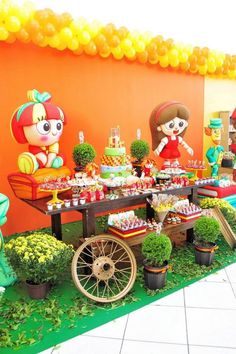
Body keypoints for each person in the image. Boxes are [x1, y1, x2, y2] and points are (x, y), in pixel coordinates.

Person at [11, 89, 66, 174]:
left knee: (62, 157)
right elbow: (44, 161)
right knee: (41, 160)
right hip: (40, 159)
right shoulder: (34, 147)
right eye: (46, 127)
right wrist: (47, 162)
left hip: (51, 166)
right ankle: (31, 164)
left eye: (58, 126)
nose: (54, 132)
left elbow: (52, 156)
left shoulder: (54, 144)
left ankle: (57, 161)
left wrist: (51, 159)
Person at [149, 101, 193, 168]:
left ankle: (175, 163)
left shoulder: (178, 138)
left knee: (175, 159)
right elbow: (161, 145)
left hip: (175, 151)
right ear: (159, 127)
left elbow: (184, 144)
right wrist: (158, 150)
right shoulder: (166, 139)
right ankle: (167, 163)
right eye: (171, 125)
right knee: (167, 161)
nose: (176, 128)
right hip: (167, 152)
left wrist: (188, 148)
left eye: (180, 124)